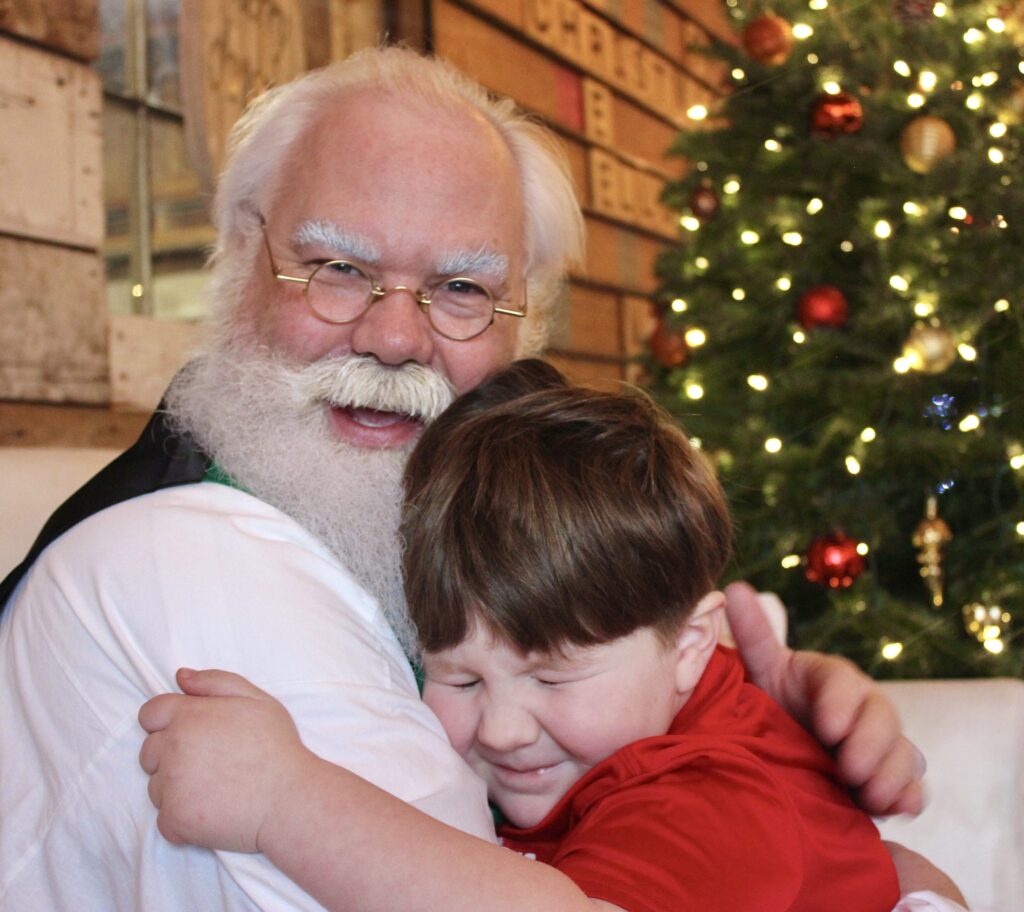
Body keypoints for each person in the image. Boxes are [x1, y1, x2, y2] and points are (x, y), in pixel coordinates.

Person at [0, 45, 932, 911]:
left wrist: (840, 796)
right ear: (242, 259)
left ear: (525, 323)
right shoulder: (197, 557)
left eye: (461, 290)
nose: (396, 339)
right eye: (336, 266)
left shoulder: (523, 519)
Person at [138, 359, 908, 912]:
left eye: (551, 677)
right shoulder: (643, 675)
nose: (502, 731)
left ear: (691, 649)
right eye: (461, 679)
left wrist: (285, 800)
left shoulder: (715, 796)